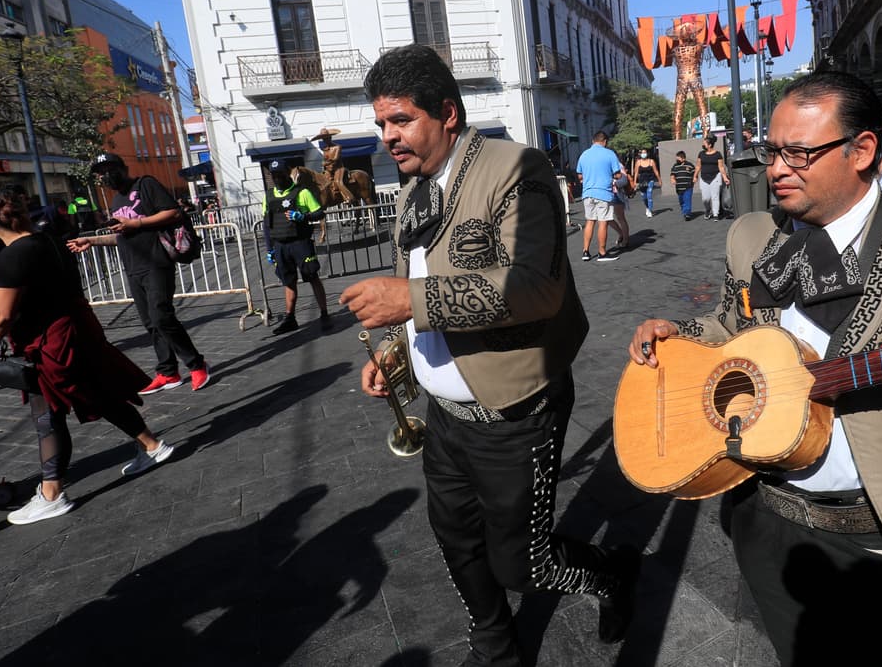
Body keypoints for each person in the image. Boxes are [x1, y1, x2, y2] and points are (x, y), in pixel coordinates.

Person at [629, 71, 882, 666]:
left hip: (870, 528)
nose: (775, 169)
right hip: (757, 499)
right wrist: (677, 336)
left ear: (863, 150)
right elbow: (726, 327)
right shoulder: (750, 235)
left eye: (798, 153)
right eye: (772, 151)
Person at [341, 44, 640, 666]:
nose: (388, 137)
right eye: (381, 124)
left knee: (520, 562)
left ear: (447, 113)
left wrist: (409, 302)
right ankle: (495, 643)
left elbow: (535, 288)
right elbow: (417, 291)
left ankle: (610, 576)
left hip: (515, 409)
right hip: (445, 417)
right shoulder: (411, 192)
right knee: (455, 538)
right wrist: (395, 353)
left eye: (401, 121)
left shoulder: (517, 168)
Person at [0, 189, 174, 525]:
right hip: (78, 328)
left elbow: (1, 317)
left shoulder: (14, 256)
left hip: (51, 342)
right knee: (99, 392)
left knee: (48, 413)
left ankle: (52, 494)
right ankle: (151, 446)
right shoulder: (49, 239)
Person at [66, 154, 210, 394]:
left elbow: (173, 213)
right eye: (101, 172)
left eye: (111, 168)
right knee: (151, 323)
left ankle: (197, 364)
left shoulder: (146, 185)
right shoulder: (116, 201)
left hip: (156, 262)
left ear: (124, 167)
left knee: (162, 316)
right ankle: (168, 372)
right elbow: (121, 236)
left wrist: (138, 223)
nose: (106, 175)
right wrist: (91, 240)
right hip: (133, 267)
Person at [262, 159, 332, 335]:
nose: (278, 178)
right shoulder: (269, 196)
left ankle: (324, 315)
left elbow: (319, 212)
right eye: (274, 175)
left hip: (300, 243)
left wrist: (303, 216)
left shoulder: (302, 192)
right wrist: (269, 249)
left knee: (312, 277)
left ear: (288, 174)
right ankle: (290, 319)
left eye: (281, 174)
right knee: (288, 282)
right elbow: (266, 224)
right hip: (280, 246)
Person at [576, 131, 624, 262]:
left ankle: (585, 251)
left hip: (587, 193)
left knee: (590, 221)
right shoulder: (609, 154)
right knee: (603, 222)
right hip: (603, 192)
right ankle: (602, 252)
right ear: (605, 141)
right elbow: (618, 175)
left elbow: (580, 175)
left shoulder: (584, 154)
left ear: (593, 141)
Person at [310, 127, 354, 205]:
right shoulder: (325, 149)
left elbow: (335, 159)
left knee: (338, 181)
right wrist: (324, 164)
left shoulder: (337, 147)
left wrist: (326, 163)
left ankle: (349, 197)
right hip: (328, 170)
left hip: (338, 168)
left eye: (326, 138)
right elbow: (325, 159)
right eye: (323, 139)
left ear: (330, 137)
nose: (325, 140)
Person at [697, 135, 729, 219]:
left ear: (709, 145)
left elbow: (721, 167)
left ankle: (715, 214)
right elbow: (698, 166)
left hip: (716, 177)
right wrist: (695, 175)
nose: (703, 145)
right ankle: (708, 210)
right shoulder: (701, 154)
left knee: (715, 197)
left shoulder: (718, 154)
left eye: (704, 144)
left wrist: (725, 178)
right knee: (705, 199)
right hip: (704, 178)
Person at [632, 148, 660, 218]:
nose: (643, 154)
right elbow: (636, 173)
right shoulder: (638, 162)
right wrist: (635, 182)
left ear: (647, 153)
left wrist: (659, 180)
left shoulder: (651, 161)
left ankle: (650, 210)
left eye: (645, 152)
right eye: (642, 153)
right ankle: (647, 207)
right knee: (644, 197)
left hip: (650, 180)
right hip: (642, 181)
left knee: (649, 195)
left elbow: (656, 171)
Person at [669, 150, 696, 220]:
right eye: (676, 158)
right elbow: (672, 175)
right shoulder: (675, 166)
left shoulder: (690, 165)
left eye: (678, 158)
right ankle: (684, 211)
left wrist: (695, 179)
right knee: (681, 201)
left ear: (683, 158)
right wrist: (672, 179)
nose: (677, 160)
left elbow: (695, 174)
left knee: (687, 200)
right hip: (679, 188)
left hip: (688, 187)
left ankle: (687, 214)